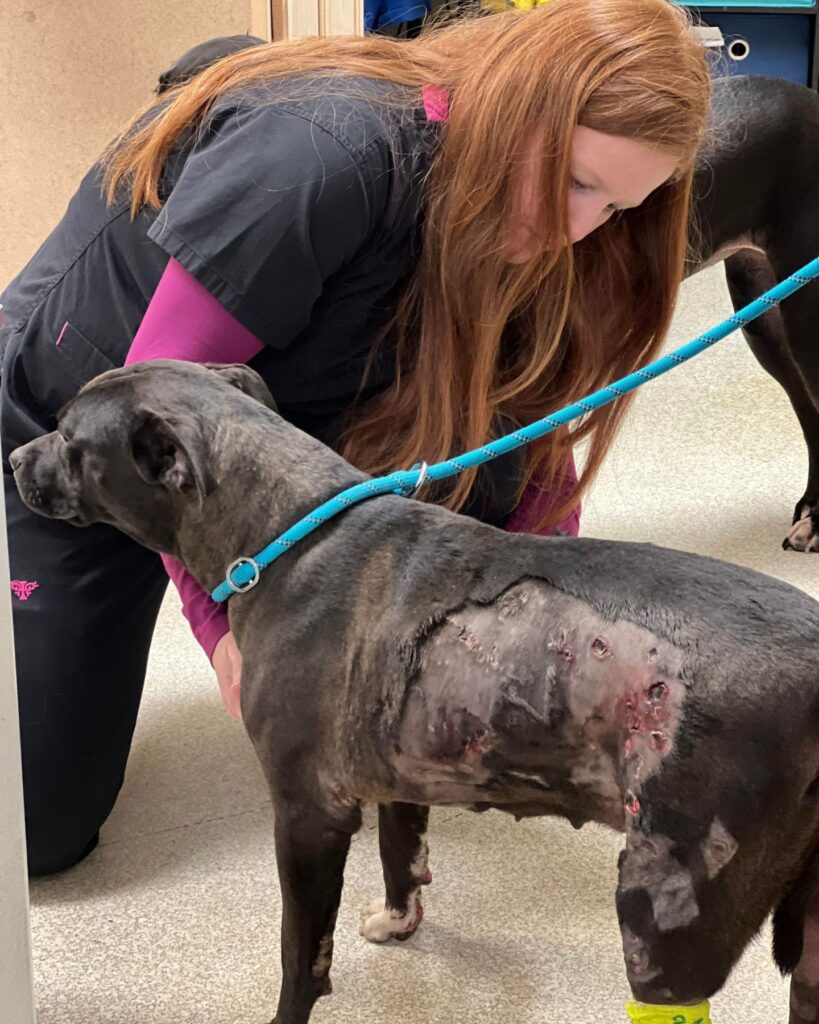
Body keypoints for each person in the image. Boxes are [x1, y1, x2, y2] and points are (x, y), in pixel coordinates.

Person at [0, 0, 711, 876]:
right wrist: (230, 627)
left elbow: (529, 427)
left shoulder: (550, 214)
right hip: (92, 440)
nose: (581, 225)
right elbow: (162, 412)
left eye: (617, 204)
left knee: (473, 511)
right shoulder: (315, 160)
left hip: (279, 412)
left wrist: (548, 638)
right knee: (36, 826)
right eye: (575, 181)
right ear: (514, 104)